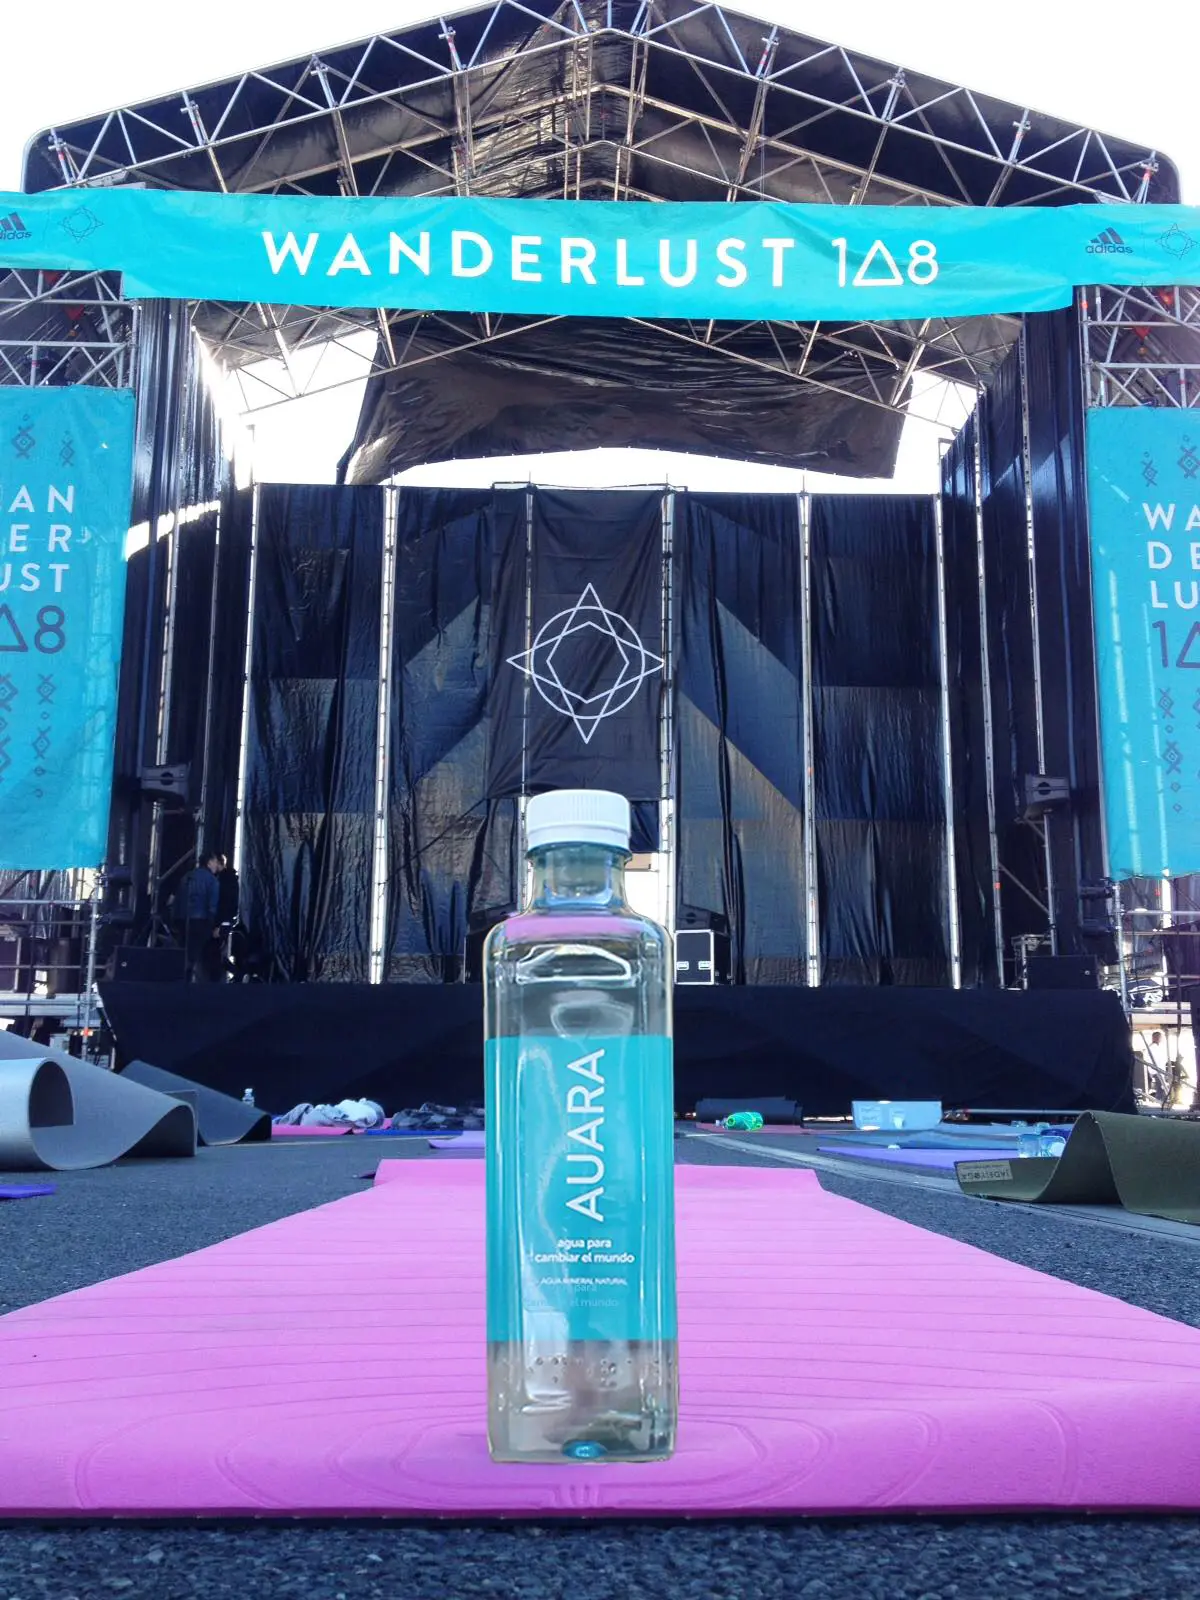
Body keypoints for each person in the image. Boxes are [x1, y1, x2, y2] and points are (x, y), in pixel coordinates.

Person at [181, 854, 221, 981]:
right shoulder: (212, 881)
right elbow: (212, 905)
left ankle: (185, 978)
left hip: (186, 918)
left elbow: (180, 898)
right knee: (203, 952)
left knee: (187, 951)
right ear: (209, 862)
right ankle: (199, 981)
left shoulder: (189, 876)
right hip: (202, 920)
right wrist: (212, 924)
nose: (217, 865)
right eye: (215, 861)